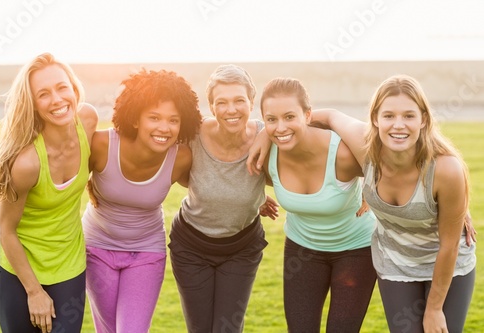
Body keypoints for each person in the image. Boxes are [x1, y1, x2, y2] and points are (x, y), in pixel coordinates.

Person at [251, 74, 477, 333]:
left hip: (443, 263)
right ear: (374, 119)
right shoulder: (364, 147)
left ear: (424, 119)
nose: (398, 125)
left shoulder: (444, 170)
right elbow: (328, 116)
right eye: (389, 116)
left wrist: (457, 210)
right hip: (395, 263)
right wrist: (267, 134)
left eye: (409, 116)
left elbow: (449, 243)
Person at [82, 69, 202, 333]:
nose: (164, 128)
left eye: (173, 120)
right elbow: (65, 176)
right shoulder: (102, 145)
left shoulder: (180, 158)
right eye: (155, 118)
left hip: (146, 253)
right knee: (108, 329)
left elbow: (211, 185)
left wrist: (256, 198)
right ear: (136, 119)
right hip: (97, 248)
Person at [253, 77, 377, 332]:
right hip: (302, 251)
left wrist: (454, 207)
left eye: (290, 116)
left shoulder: (342, 154)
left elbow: (399, 163)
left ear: (308, 115)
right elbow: (234, 178)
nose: (280, 128)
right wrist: (255, 200)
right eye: (271, 119)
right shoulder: (267, 157)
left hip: (356, 251)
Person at [0, 53, 98, 333]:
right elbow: (6, 230)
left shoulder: (88, 120)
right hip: (14, 266)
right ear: (33, 104)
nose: (58, 100)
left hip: (67, 264)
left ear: (73, 87)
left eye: (62, 87)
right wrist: (34, 292)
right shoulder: (27, 162)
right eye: (44, 94)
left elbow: (97, 163)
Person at [168, 64, 279, 333]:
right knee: (200, 329)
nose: (231, 110)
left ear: (252, 102)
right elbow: (184, 177)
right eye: (222, 102)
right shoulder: (193, 135)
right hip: (191, 247)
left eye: (239, 100)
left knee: (227, 329)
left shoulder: (268, 134)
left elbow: (310, 124)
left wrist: (266, 132)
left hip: (241, 249)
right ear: (212, 106)